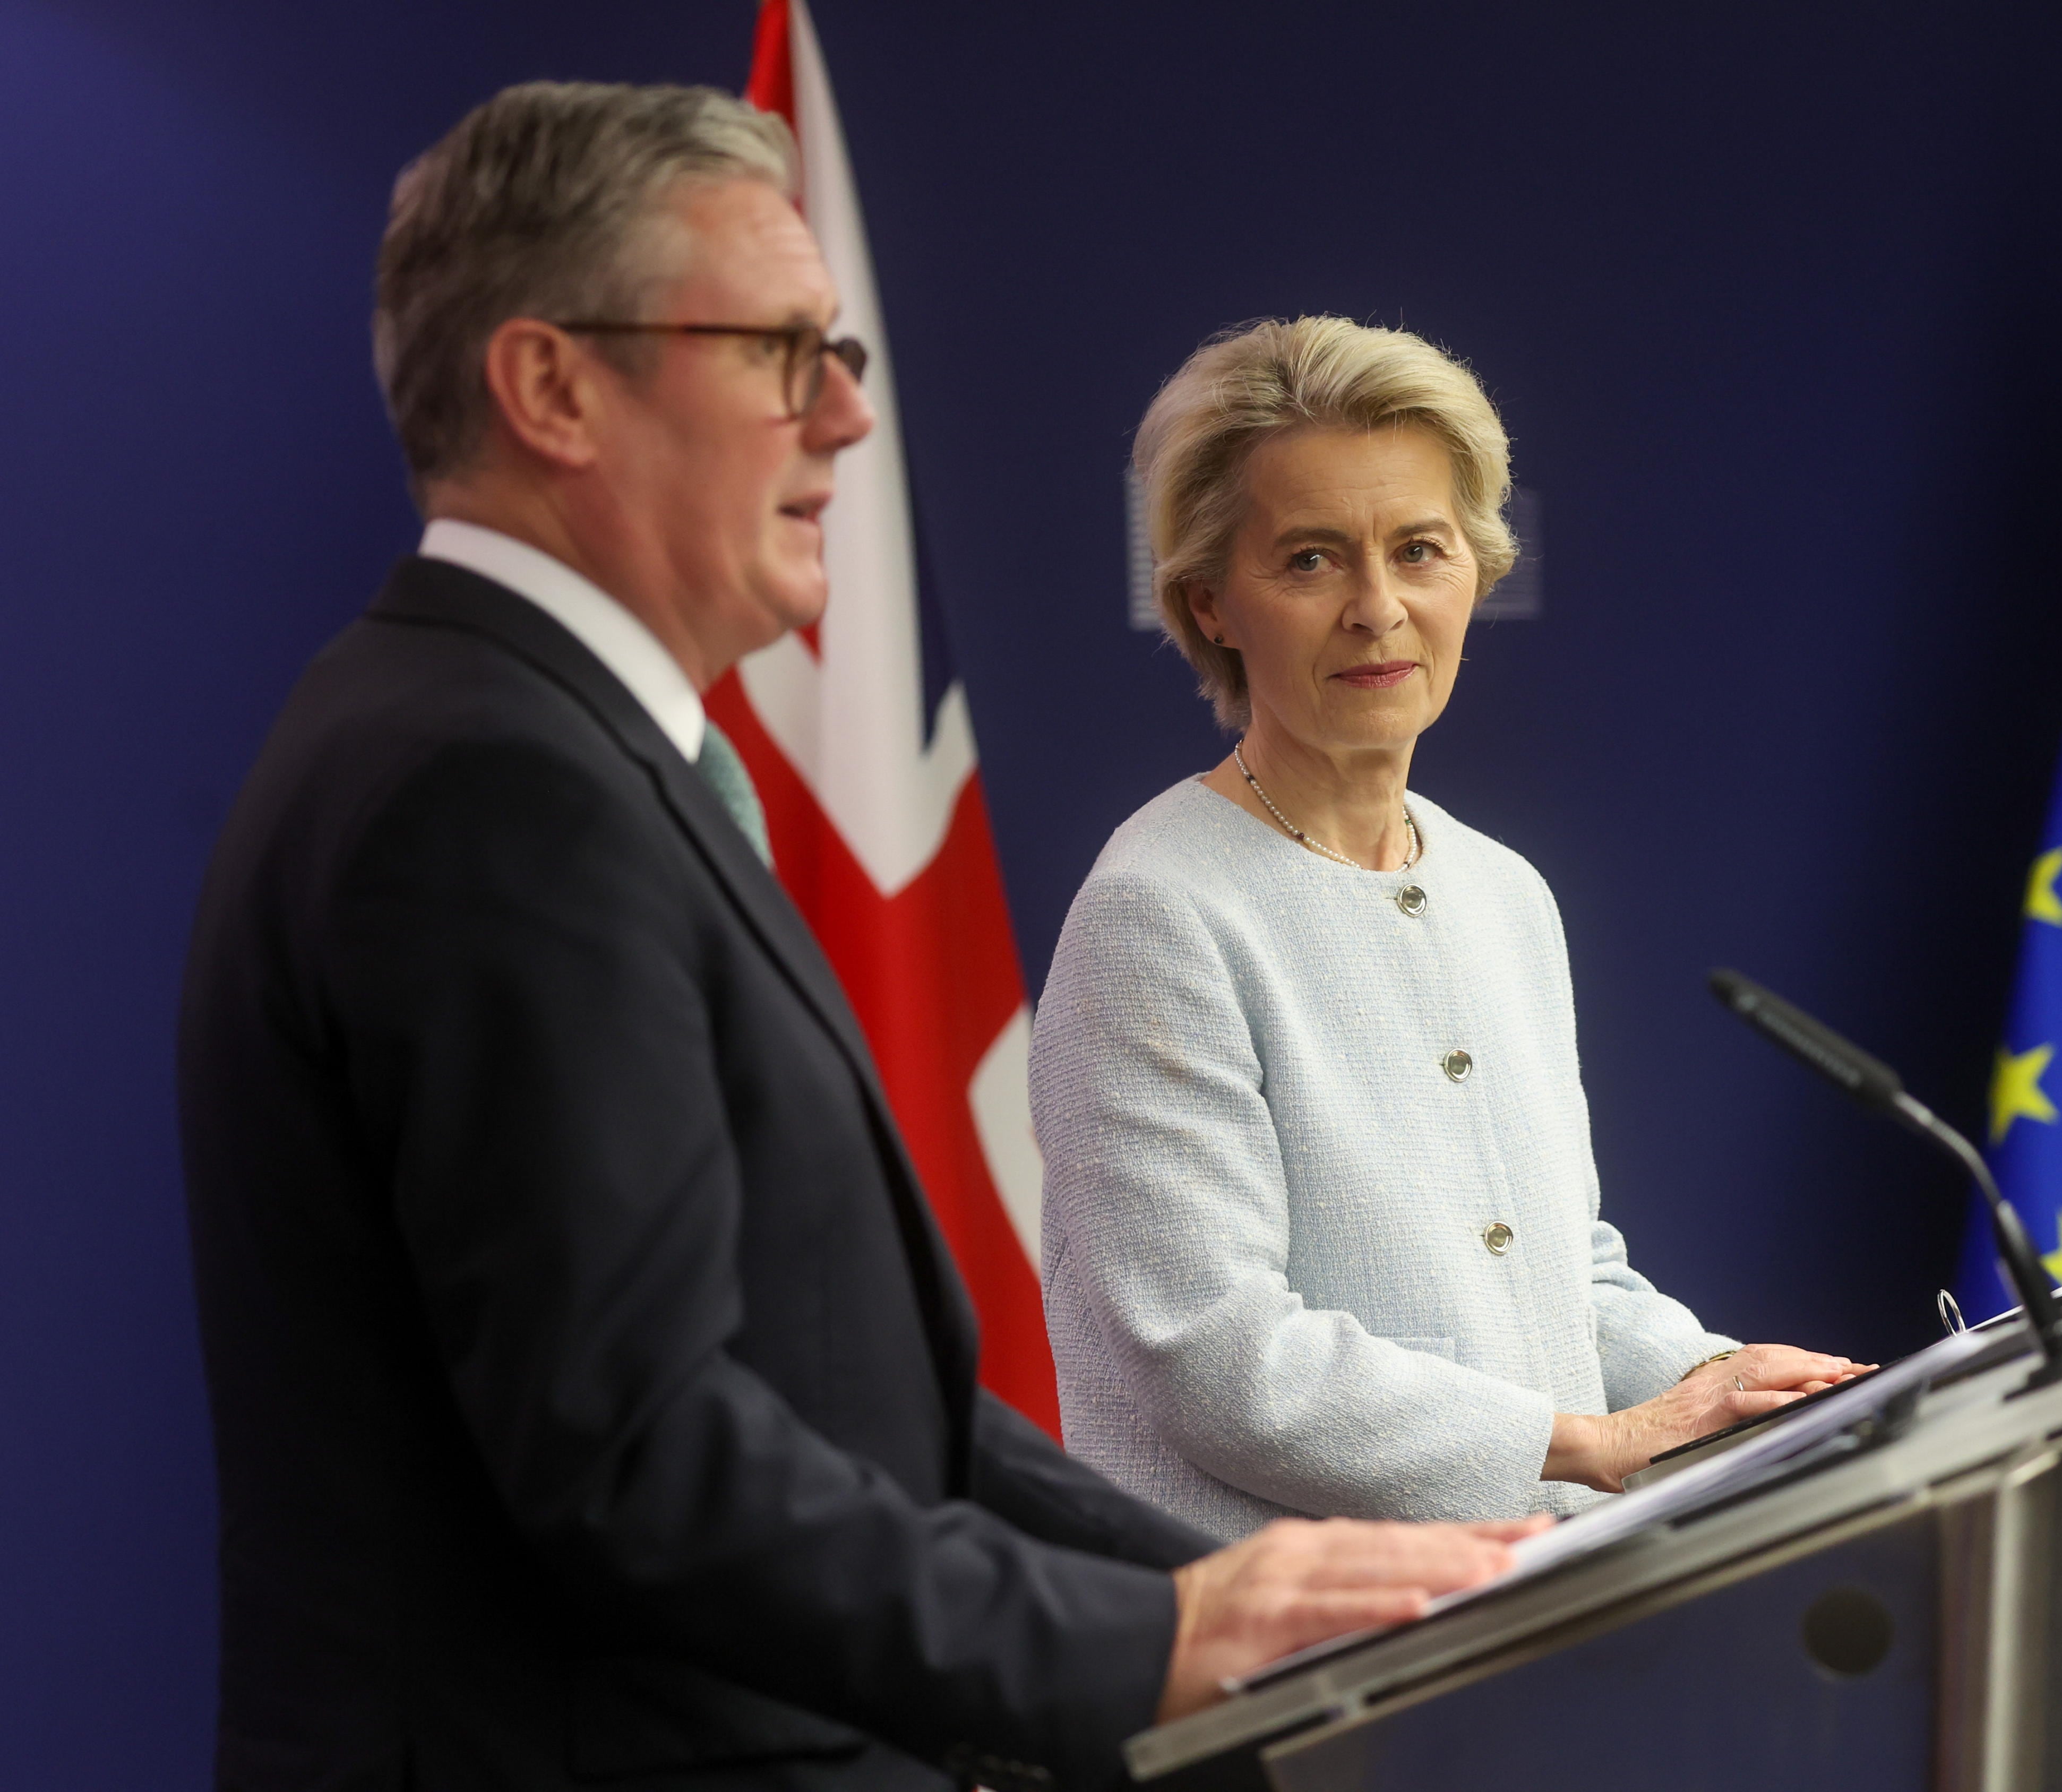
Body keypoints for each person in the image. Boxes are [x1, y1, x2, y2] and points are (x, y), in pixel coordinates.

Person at [176, 87, 1533, 1792]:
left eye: (845, 358)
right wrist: (1148, 1649)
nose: (842, 423)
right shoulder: (488, 784)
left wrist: (1220, 1592)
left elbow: (855, 1409)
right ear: (550, 387)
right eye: (778, 353)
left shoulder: (559, 746)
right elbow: (640, 1458)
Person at [1034, 317, 1872, 1541]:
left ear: (1475, 570)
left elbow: (1556, 1281)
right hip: (1272, 1652)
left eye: (1417, 549)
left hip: (1513, 1611)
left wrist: (1752, 1387)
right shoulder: (1156, 912)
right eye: (1312, 560)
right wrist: (1590, 1443)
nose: (1377, 609)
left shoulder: (1502, 890)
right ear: (1210, 601)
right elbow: (1213, 1355)